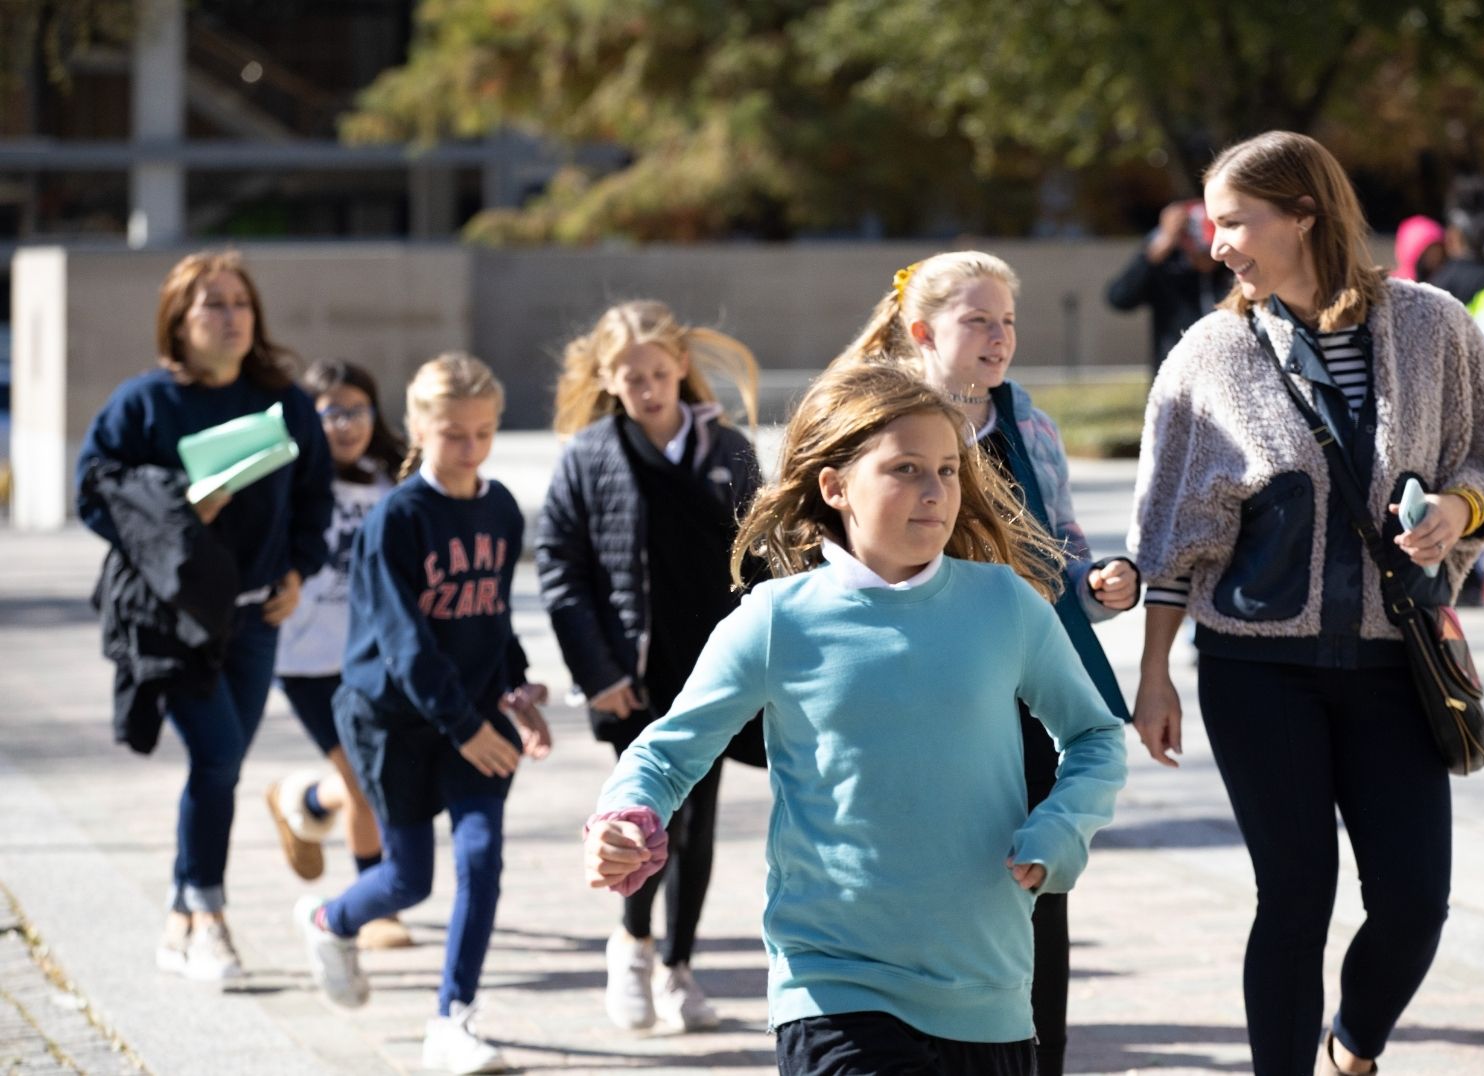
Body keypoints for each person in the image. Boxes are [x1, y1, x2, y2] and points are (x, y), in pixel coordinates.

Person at [1130, 131, 1484, 1076]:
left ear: (1305, 213)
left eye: (1235, 220)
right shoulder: (1210, 352)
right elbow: (1171, 532)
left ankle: (1354, 1045)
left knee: (1413, 901)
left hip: (1394, 663)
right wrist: (1154, 673)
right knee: (1294, 895)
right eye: (1212, 223)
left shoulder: (1432, 326)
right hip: (1254, 668)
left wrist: (1458, 508)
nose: (1218, 242)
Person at [583, 362, 1127, 1076]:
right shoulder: (778, 621)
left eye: (947, 470)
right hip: (832, 982)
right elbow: (667, 752)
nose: (935, 492)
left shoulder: (1005, 604)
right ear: (835, 487)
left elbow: (1096, 736)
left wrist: (1062, 827)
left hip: (987, 987)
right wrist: (627, 814)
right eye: (904, 469)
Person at [834, 248, 1138, 1074]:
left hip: (1025, 691)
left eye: (1007, 321)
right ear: (924, 330)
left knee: (1037, 886)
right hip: (915, 692)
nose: (999, 338)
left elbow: (1060, 549)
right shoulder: (875, 422)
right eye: (978, 321)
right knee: (932, 882)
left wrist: (1097, 581)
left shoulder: (1028, 421)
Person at [292, 353, 553, 1076]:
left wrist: (517, 693)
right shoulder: (396, 518)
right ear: (420, 428)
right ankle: (328, 920)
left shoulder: (500, 508)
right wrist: (465, 728)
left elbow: (492, 617)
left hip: (472, 715)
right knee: (408, 880)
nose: (469, 449)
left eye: (483, 433)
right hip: (393, 721)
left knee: (479, 854)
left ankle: (454, 1018)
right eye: (452, 434)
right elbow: (405, 645)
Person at [76, 250, 334, 982]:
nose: (230, 317)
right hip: (172, 620)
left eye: (240, 303)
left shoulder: (286, 401)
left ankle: (178, 915)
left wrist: (298, 570)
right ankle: (212, 917)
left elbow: (315, 499)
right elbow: (94, 493)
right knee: (218, 757)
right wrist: (175, 508)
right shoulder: (143, 404)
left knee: (217, 770)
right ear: (179, 323)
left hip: (257, 618)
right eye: (211, 305)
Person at [536, 299, 763, 1033]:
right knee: (643, 811)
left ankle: (679, 967)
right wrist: (597, 670)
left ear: (680, 369)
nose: (648, 386)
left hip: (716, 666)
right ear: (607, 376)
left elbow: (762, 556)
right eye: (631, 375)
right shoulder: (588, 454)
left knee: (699, 821)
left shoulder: (727, 448)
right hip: (631, 672)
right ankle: (632, 946)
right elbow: (561, 568)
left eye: (660, 371)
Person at [265, 359, 414, 950]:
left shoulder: (390, 479)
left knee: (376, 775)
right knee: (363, 777)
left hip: (374, 659)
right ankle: (374, 901)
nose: (347, 424)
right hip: (304, 660)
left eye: (358, 410)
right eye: (331, 412)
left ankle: (299, 799)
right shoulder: (292, 482)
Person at [1106, 198, 1234, 375]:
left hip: (1228, 370)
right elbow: (1120, 299)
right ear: (1183, 243)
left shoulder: (1235, 270)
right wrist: (1155, 252)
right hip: (1176, 374)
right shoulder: (1166, 267)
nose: (1211, 256)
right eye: (1201, 250)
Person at [1391, 215, 1446, 283]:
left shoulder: (1443, 281)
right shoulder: (1395, 286)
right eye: (1430, 252)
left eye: (1440, 252)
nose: (1437, 257)